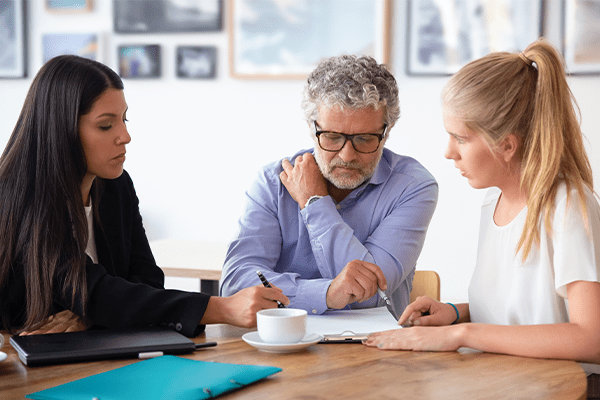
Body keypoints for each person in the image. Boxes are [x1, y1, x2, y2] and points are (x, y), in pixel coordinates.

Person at [0, 55, 289, 337]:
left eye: (124, 119)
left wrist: (91, 315)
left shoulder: (115, 185)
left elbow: (147, 281)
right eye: (106, 125)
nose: (125, 136)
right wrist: (222, 308)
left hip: (95, 351)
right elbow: (92, 290)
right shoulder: (19, 199)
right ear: (62, 129)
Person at [365, 39, 600, 371]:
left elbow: (592, 339)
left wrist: (462, 334)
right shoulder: (494, 201)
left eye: (460, 138)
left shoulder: (567, 206)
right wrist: (457, 312)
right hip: (503, 380)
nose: (449, 152)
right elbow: (524, 315)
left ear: (505, 145)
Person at [220, 55, 438, 315]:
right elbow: (235, 286)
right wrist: (326, 294)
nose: (347, 156)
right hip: (282, 344)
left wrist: (314, 201)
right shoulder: (272, 183)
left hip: (375, 347)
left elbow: (369, 294)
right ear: (313, 129)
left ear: (386, 132)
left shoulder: (413, 187)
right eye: (333, 137)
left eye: (365, 139)